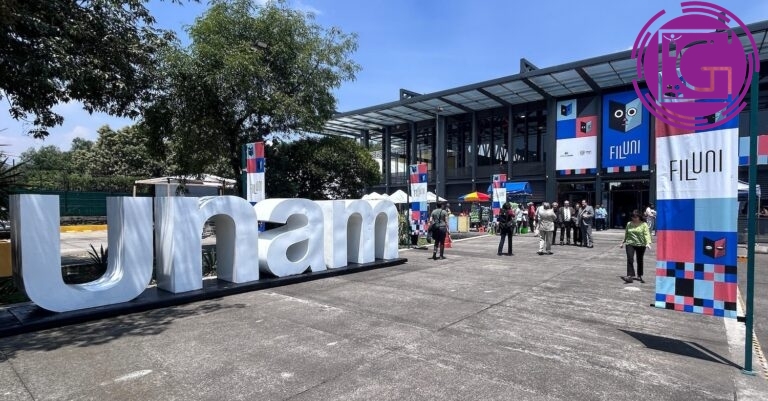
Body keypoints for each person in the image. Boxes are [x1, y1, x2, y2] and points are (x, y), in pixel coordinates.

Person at [620, 210, 653, 283]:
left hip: (641, 244)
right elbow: (626, 233)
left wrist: (648, 243)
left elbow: (646, 234)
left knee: (639, 259)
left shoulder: (644, 224)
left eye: (636, 217)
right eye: (633, 217)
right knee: (630, 259)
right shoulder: (629, 224)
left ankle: (639, 274)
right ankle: (630, 276)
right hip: (630, 243)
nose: (634, 219)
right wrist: (623, 242)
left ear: (639, 217)